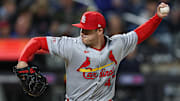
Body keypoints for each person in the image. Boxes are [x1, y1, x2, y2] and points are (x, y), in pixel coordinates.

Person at [16, 2, 169, 101]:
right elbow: (36, 41)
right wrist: (22, 61)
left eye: (87, 31)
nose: (82, 33)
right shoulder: (71, 46)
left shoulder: (117, 44)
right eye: (81, 29)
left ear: (100, 31)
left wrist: (157, 17)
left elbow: (141, 33)